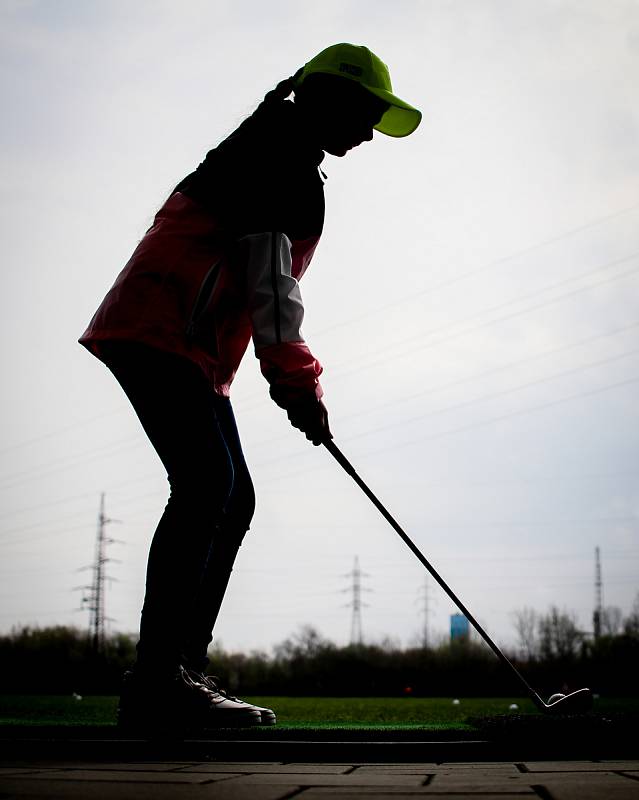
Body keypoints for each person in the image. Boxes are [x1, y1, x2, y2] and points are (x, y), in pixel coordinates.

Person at [79, 43, 421, 733]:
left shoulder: (282, 148)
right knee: (209, 487)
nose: (368, 133)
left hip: (187, 345)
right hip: (159, 328)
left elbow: (263, 288)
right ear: (328, 100)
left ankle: (178, 672)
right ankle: (159, 682)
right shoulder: (278, 161)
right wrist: (297, 385)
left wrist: (288, 383)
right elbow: (271, 287)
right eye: (365, 114)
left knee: (232, 498)